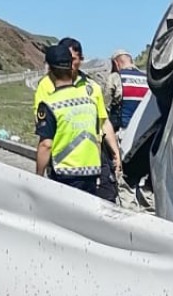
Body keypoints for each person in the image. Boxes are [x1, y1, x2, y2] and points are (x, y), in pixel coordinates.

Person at [34, 41, 120, 197]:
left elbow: (46, 144)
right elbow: (101, 125)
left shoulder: (49, 104)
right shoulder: (89, 100)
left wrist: (38, 176)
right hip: (93, 169)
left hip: (65, 172)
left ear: (50, 70)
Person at [99, 51, 148, 201]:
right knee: (141, 176)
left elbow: (104, 107)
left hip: (122, 132)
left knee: (121, 175)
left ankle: (124, 206)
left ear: (116, 63)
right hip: (145, 134)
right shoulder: (146, 78)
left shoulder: (116, 78)